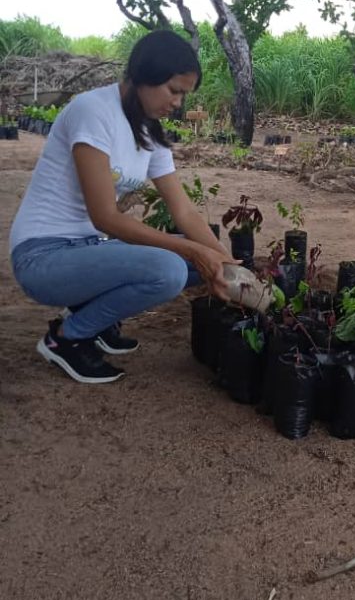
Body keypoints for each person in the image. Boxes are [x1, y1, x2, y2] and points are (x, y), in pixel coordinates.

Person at [9, 30, 238, 385]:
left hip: (86, 250)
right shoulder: (93, 111)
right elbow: (106, 217)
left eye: (184, 94)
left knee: (200, 266)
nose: (178, 102)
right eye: (174, 90)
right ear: (145, 75)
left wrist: (225, 261)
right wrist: (193, 249)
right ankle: (66, 338)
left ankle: (94, 315)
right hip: (43, 257)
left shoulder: (150, 131)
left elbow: (184, 212)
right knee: (171, 270)